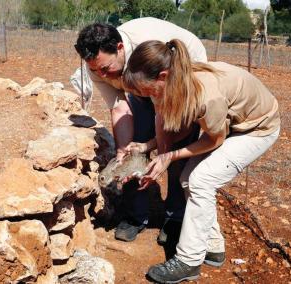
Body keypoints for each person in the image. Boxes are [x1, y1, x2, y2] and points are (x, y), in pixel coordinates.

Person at [122, 39, 280, 283]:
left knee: (200, 179)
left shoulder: (205, 95)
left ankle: (188, 261)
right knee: (189, 178)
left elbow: (213, 139)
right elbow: (177, 127)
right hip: (231, 124)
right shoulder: (172, 82)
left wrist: (170, 156)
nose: (146, 97)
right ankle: (213, 246)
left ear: (163, 76)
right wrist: (149, 147)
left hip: (257, 128)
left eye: (148, 91)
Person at [74, 17, 207, 242]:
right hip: (141, 84)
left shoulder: (149, 46)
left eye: (105, 68)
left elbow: (164, 117)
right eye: (95, 70)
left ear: (120, 48)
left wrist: (163, 155)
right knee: (134, 146)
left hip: (179, 80)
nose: (101, 75)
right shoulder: (98, 66)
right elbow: (118, 107)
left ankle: (175, 216)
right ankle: (136, 216)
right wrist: (122, 151)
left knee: (177, 148)